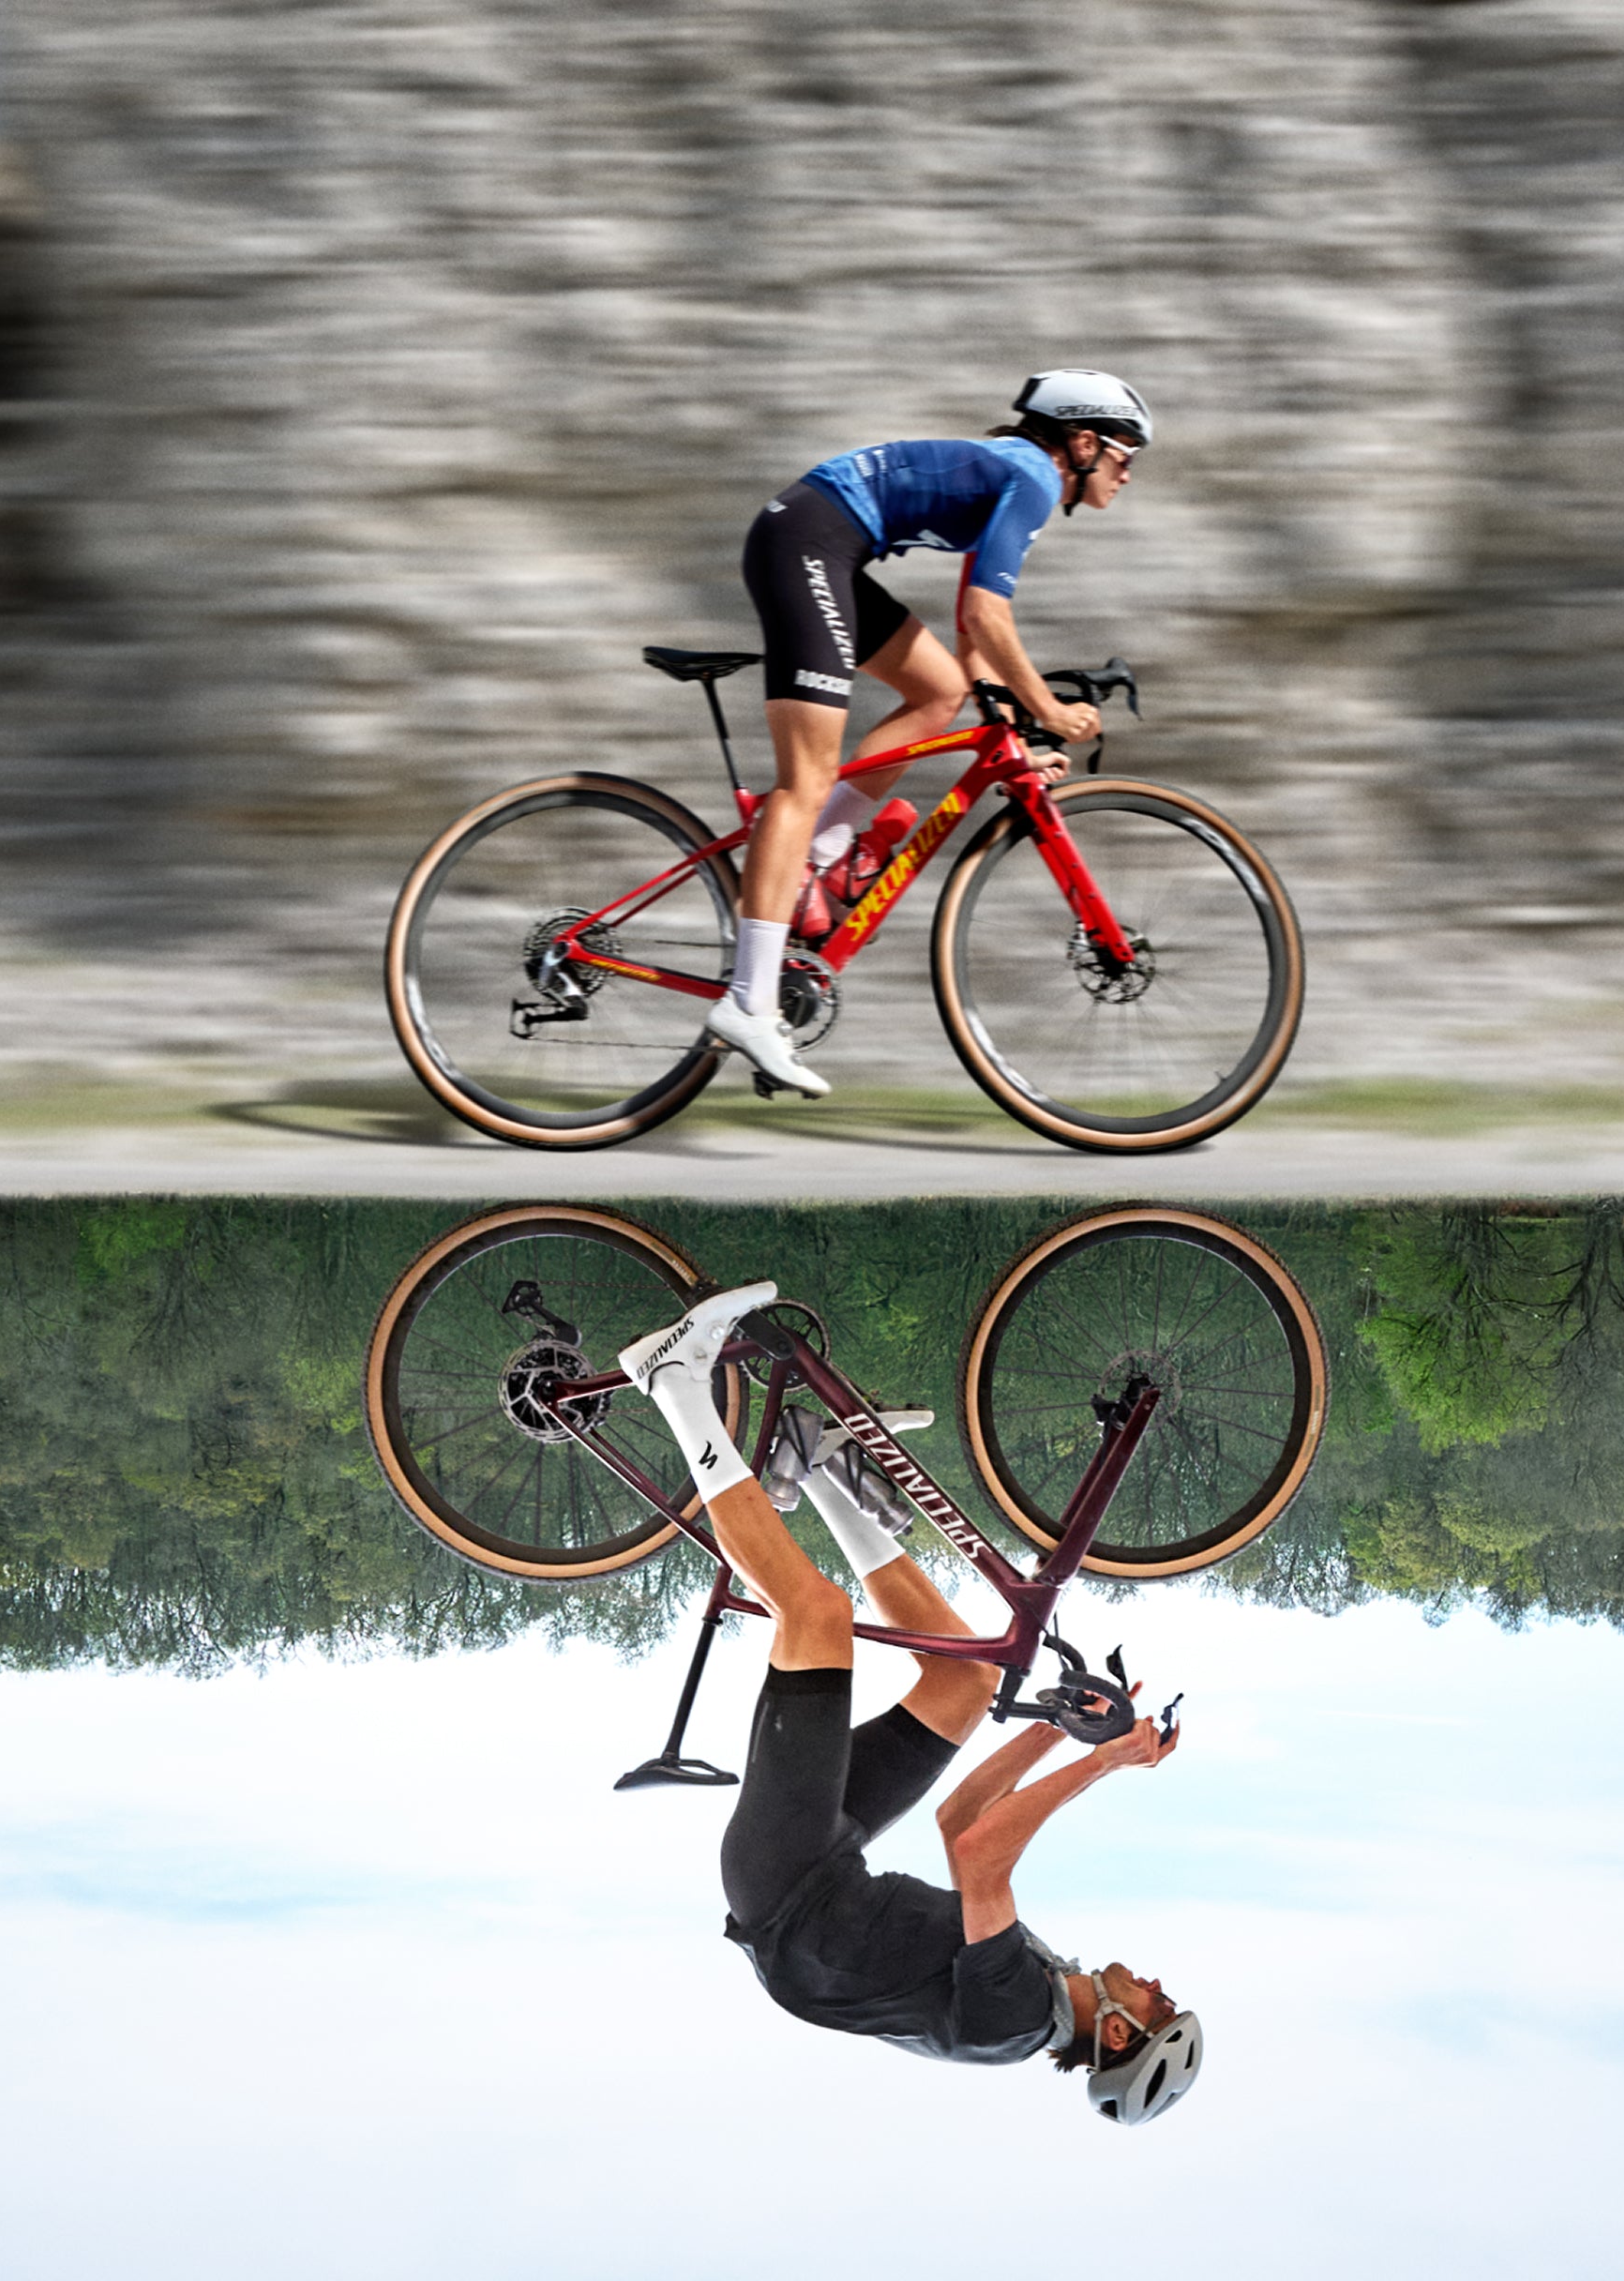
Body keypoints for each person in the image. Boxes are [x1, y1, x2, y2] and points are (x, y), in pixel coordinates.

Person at [614, 1277, 1207, 2123]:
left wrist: (1109, 1760)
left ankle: (673, 1383)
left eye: (1160, 2008)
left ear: (1118, 2038)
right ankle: (818, 1467)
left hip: (784, 1886)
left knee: (815, 1615)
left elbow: (981, 1856)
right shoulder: (1035, 1977)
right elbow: (962, 1817)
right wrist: (1057, 1730)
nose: (1155, 1985)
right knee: (964, 1680)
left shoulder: (1016, 2020)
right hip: (831, 1858)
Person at [708, 370, 1156, 1099]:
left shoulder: (1016, 476)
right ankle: (748, 1003)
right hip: (807, 545)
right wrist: (1048, 708)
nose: (1128, 471)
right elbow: (987, 616)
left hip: (822, 541)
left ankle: (819, 858)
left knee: (939, 690)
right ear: (1082, 444)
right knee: (804, 780)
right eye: (1124, 452)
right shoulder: (1035, 477)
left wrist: (1010, 733)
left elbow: (971, 641)